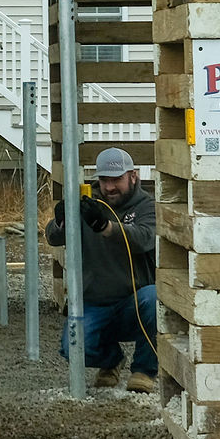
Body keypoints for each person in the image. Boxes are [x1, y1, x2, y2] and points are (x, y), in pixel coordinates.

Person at [46, 147, 157, 390]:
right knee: (70, 347)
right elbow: (53, 238)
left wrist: (106, 227)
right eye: (104, 180)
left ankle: (144, 371)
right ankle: (112, 360)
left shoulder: (147, 206)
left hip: (134, 303)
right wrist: (60, 221)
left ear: (133, 176)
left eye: (116, 179)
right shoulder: (89, 204)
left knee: (155, 298)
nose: (109, 187)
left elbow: (144, 238)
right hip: (94, 302)